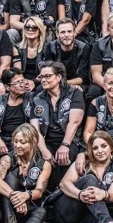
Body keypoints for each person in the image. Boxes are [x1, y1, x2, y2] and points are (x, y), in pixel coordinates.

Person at [42, 132, 113, 223]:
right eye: (95, 148)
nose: (100, 151)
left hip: (89, 217)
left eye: (104, 146)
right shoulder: (83, 164)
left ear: (111, 148)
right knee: (89, 179)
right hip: (67, 210)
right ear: (91, 151)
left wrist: (103, 194)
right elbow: (64, 184)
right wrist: (80, 194)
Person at [0, 123, 50, 223]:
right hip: (5, 209)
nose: (18, 145)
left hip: (25, 209)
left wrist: (26, 196)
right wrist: (16, 197)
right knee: (10, 179)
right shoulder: (7, 159)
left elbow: (39, 191)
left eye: (23, 142)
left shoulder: (44, 164)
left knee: (41, 211)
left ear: (33, 142)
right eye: (15, 141)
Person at [29, 61, 86, 190]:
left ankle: (62, 193)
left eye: (48, 76)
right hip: (46, 141)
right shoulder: (37, 99)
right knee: (41, 159)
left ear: (59, 77)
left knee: (65, 157)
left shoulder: (74, 93)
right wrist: (44, 150)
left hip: (70, 140)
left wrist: (65, 145)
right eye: (41, 77)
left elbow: (74, 122)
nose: (43, 80)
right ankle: (42, 194)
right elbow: (35, 129)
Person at [41, 19, 93, 97]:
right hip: (55, 83)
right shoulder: (50, 47)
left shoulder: (84, 48)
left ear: (74, 33)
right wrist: (63, 85)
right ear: (57, 34)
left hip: (76, 83)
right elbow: (49, 73)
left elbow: (83, 77)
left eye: (69, 31)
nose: (66, 35)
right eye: (63, 32)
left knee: (90, 91)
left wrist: (67, 85)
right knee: (40, 89)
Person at [0, 69, 33, 155]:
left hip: (24, 139)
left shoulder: (31, 98)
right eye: (17, 82)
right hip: (4, 140)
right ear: (7, 87)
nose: (22, 85)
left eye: (22, 81)